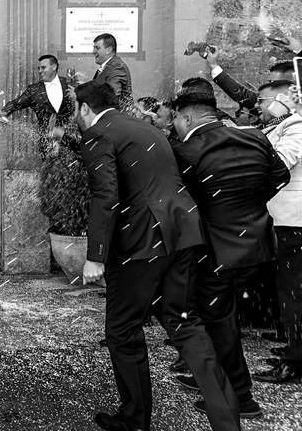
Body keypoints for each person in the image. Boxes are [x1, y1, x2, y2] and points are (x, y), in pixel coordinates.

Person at [74, 81, 240, 431]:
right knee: (183, 320)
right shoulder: (144, 127)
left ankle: (135, 419)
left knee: (122, 330)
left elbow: (105, 195)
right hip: (183, 231)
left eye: (77, 110)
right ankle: (227, 419)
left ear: (84, 108)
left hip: (142, 242)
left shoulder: (97, 133)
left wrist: (96, 256)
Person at [170, 91, 290, 419]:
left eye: (175, 120)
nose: (174, 126)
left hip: (216, 250)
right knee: (225, 317)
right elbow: (281, 177)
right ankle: (211, 379)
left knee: (218, 320)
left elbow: (182, 202)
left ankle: (240, 396)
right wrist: (247, 207)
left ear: (187, 118)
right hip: (258, 243)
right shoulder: (254, 139)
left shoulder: (186, 151)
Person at [253, 80, 302, 384]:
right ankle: (295, 348)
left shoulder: (297, 124)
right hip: (282, 222)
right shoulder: (283, 124)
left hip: (294, 222)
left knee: (294, 294)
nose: (258, 105)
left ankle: (296, 362)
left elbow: (282, 163)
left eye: (263, 100)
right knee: (288, 292)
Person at [201, 46, 295, 125]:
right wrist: (213, 64)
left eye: (274, 84)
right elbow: (240, 94)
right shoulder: (267, 107)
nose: (256, 104)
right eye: (269, 82)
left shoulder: (294, 129)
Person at [0, 54, 74, 141]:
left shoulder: (68, 85)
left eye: (43, 67)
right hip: (47, 143)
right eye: (39, 68)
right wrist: (4, 111)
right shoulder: (34, 90)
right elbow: (16, 103)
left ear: (54, 67)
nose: (40, 71)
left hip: (69, 141)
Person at [91, 33, 133, 111]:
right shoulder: (109, 66)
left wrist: (83, 95)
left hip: (117, 119)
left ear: (108, 50)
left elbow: (110, 97)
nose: (93, 51)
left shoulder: (117, 67)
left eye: (97, 48)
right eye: (94, 48)